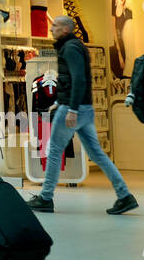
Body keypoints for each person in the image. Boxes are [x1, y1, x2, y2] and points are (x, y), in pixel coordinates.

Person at [27, 16, 138, 215]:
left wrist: (71, 109)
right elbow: (73, 79)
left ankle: (45, 197)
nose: (51, 29)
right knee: (96, 153)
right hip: (83, 108)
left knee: (53, 151)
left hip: (74, 108)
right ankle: (124, 195)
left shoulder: (70, 48)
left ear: (66, 30)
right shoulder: (74, 46)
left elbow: (78, 79)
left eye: (55, 26)